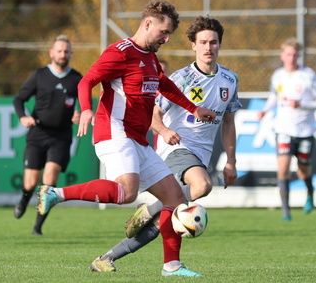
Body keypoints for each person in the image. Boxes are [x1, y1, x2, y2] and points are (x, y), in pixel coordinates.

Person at [36, 0, 216, 277]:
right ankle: (55, 193)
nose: (166, 39)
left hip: (138, 139)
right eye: (163, 33)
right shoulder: (120, 52)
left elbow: (164, 84)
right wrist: (85, 110)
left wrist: (194, 108)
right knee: (127, 192)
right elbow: (86, 81)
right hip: (114, 131)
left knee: (175, 196)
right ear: (148, 24)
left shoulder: (150, 58)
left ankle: (172, 266)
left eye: (169, 34)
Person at [89, 16, 241, 273]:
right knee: (202, 185)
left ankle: (110, 256)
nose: (208, 47)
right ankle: (152, 211)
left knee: (166, 217)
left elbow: (228, 123)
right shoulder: (182, 78)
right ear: (193, 45)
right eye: (202, 42)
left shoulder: (230, 80)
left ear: (219, 45)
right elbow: (153, 113)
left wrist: (231, 161)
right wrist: (164, 130)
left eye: (213, 42)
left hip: (200, 155)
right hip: (175, 149)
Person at [13, 35, 82, 235]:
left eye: (66, 51)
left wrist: (81, 112)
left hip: (61, 137)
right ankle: (24, 199)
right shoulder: (40, 75)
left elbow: (84, 102)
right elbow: (19, 99)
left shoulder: (76, 78)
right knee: (30, 183)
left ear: (70, 54)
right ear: (52, 53)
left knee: (49, 180)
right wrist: (22, 117)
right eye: (59, 51)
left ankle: (37, 227)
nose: (63, 54)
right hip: (38, 134)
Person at [257, 38, 316, 221]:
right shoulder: (277, 75)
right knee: (283, 169)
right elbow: (274, 96)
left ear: (299, 56)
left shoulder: (308, 76)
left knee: (303, 170)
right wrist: (265, 110)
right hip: (283, 129)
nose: (291, 58)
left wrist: (302, 103)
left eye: (295, 55)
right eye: (288, 54)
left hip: (305, 132)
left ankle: (310, 192)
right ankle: (286, 211)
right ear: (282, 56)